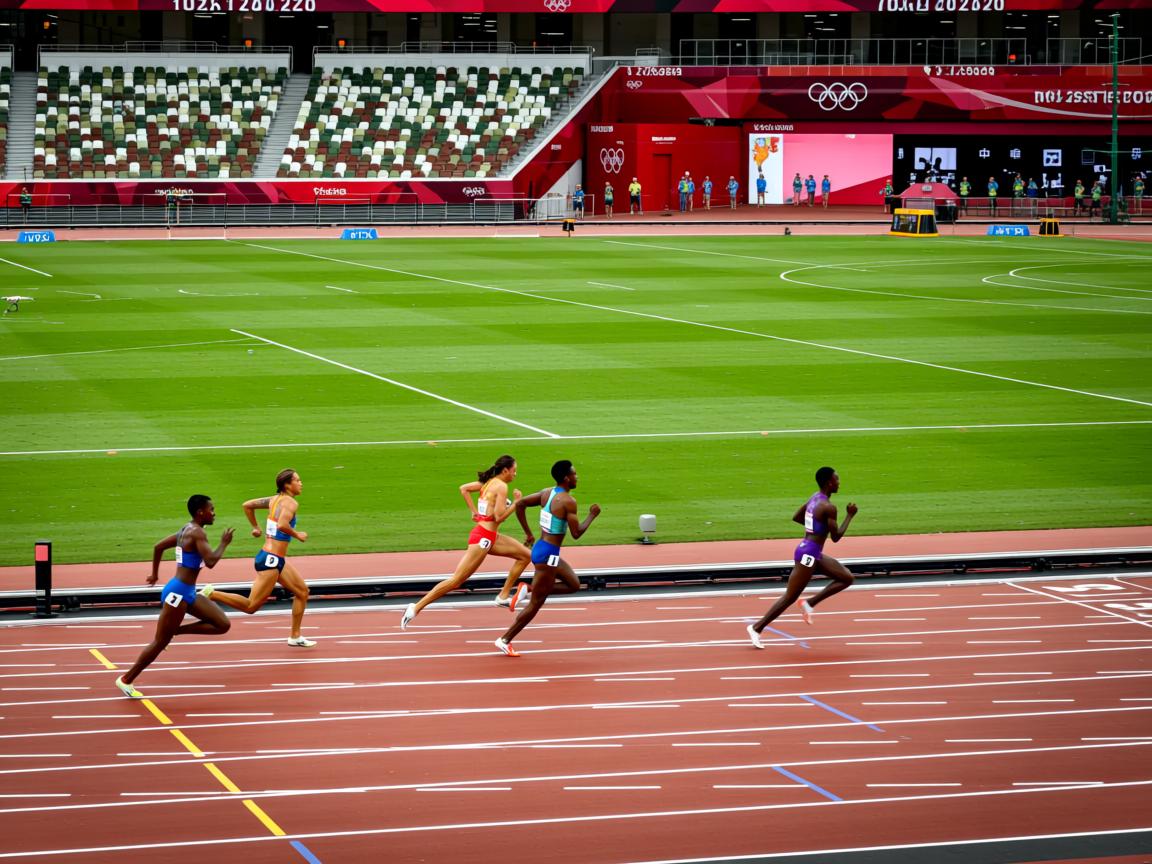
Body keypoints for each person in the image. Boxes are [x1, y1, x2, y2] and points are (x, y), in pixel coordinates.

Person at [115, 495, 233, 698]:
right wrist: (224, 543)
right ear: (200, 512)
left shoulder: (185, 529)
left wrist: (155, 574)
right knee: (159, 642)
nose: (214, 513)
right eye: (211, 509)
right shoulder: (197, 533)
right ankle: (126, 680)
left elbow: (158, 546)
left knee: (222, 624)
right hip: (178, 594)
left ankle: (175, 631)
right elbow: (211, 561)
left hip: (185, 591)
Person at [401, 455, 531, 629]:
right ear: (505, 470)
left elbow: (464, 489)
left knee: (525, 556)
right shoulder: (501, 486)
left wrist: (474, 512)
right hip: (483, 538)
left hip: (491, 536)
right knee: (457, 580)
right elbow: (499, 517)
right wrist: (516, 503)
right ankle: (415, 607)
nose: (515, 474)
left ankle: (502, 596)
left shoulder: (488, 482)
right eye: (514, 470)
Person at [495, 460, 600, 657]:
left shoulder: (547, 493)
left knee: (573, 584)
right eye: (575, 474)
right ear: (567, 478)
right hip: (548, 555)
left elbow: (522, 504)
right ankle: (505, 639)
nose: (577, 477)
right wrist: (592, 515)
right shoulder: (568, 501)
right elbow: (576, 533)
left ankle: (529, 588)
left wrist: (528, 533)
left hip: (541, 549)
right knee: (536, 603)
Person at [202, 469, 315, 647]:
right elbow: (283, 525)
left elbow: (247, 505)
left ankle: (295, 636)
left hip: (274, 558)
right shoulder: (291, 503)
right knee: (250, 606)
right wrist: (297, 534)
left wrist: (256, 527)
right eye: (298, 481)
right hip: (271, 560)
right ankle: (210, 593)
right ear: (287, 484)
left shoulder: (274, 500)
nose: (301, 484)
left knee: (302, 592)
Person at [747, 467, 857, 649]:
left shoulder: (815, 498)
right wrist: (850, 516)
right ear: (829, 482)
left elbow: (797, 517)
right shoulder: (829, 507)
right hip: (808, 555)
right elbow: (836, 537)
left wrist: (814, 528)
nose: (839, 482)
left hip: (811, 552)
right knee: (790, 597)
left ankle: (809, 603)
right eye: (837, 479)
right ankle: (756, 628)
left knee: (846, 577)